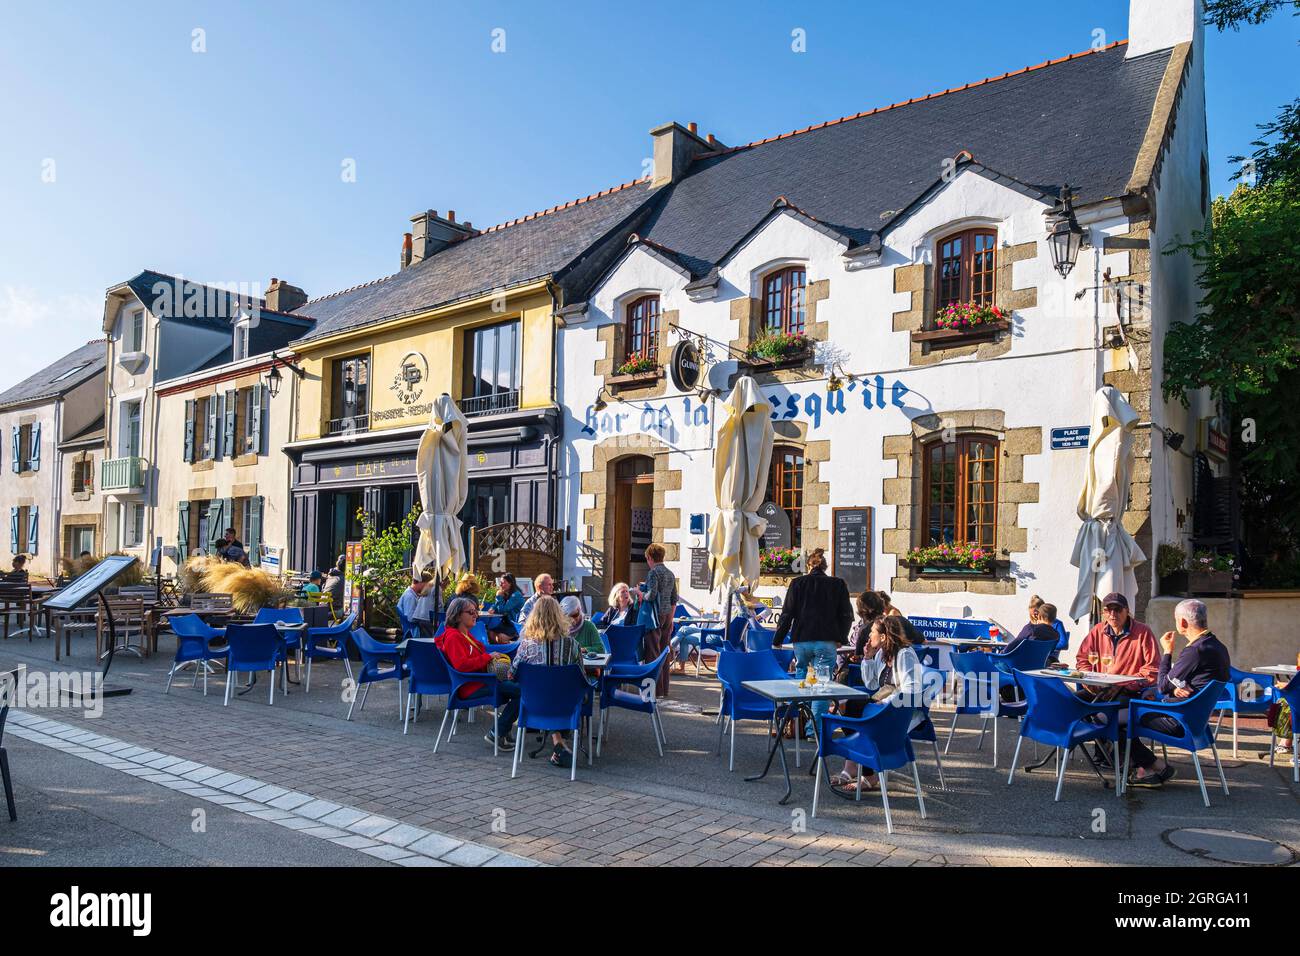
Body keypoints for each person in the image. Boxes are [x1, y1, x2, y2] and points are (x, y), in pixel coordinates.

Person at [1120, 598, 1230, 788]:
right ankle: (1148, 768)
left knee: (1116, 719)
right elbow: (1199, 679)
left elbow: (1162, 685)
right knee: (1128, 713)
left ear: (1183, 623)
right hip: (1198, 721)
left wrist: (1167, 651)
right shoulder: (1218, 647)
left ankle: (1155, 767)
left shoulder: (1195, 650)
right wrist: (1179, 686)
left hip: (1178, 720)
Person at [832, 616, 932, 793]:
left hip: (902, 712)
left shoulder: (905, 654)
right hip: (885, 704)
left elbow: (910, 691)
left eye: (873, 632)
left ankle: (863, 771)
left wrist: (883, 704)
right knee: (845, 708)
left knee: (852, 709)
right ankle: (857, 766)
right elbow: (871, 684)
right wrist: (868, 658)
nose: (869, 635)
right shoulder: (881, 654)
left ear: (884, 637)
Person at [773, 548, 853, 731]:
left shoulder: (797, 583)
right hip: (826, 640)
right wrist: (841, 637)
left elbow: (787, 614)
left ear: (808, 565)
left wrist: (778, 639)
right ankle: (813, 729)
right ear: (825, 566)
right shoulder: (838, 584)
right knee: (821, 685)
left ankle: (798, 723)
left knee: (802, 679)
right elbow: (847, 615)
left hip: (801, 639)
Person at [514, 595, 591, 768]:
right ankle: (559, 745)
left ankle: (558, 746)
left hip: (535, 704)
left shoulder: (526, 645)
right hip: (566, 705)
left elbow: (512, 674)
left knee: (547, 694)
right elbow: (581, 678)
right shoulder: (572, 644)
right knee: (569, 694)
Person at [435, 596, 518, 751]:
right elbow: (462, 666)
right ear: (458, 615)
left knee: (518, 688)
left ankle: (503, 730)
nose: (476, 615)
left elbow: (480, 652)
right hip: (470, 686)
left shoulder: (464, 634)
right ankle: (498, 732)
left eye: (476, 612)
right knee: (521, 691)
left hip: (479, 681)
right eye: (471, 612)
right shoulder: (454, 637)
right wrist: (487, 657)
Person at [640, 544, 678, 698]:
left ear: (650, 557)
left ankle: (653, 691)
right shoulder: (670, 573)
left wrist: (639, 593)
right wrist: (671, 619)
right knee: (664, 652)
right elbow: (674, 598)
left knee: (652, 653)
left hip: (654, 617)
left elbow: (651, 595)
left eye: (647, 559)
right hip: (667, 615)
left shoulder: (653, 573)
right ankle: (664, 690)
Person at [485, 573, 525, 640]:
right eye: (500, 582)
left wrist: (499, 596)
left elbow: (502, 610)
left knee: (500, 637)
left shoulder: (516, 595)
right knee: (490, 633)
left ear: (510, 583)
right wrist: (493, 608)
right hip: (506, 623)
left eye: (503, 583)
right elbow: (496, 606)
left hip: (515, 625)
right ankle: (498, 649)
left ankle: (513, 641)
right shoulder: (506, 593)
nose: (500, 585)